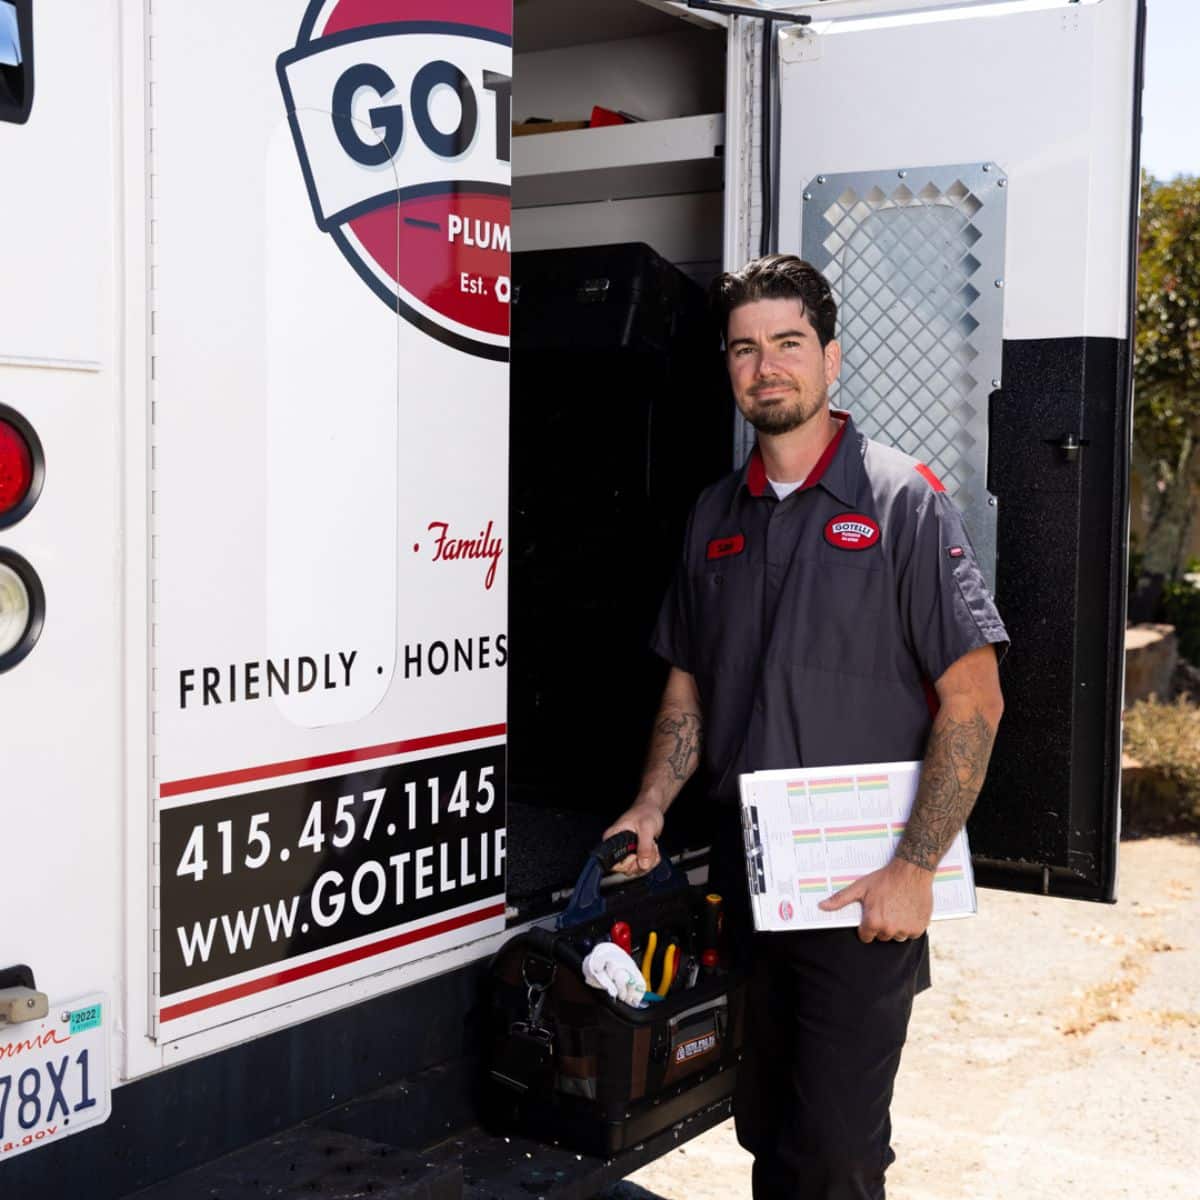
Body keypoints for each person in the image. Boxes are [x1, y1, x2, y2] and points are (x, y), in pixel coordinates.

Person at [603, 254, 1008, 1200]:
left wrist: (914, 869)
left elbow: (974, 700)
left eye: (788, 344)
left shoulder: (903, 501)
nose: (765, 366)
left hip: (864, 899)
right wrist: (653, 803)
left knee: (836, 1154)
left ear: (830, 358)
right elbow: (686, 694)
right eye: (744, 349)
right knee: (769, 1132)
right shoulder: (715, 515)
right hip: (751, 885)